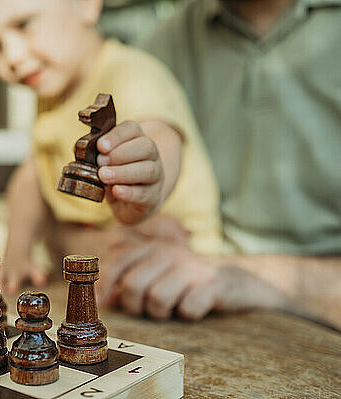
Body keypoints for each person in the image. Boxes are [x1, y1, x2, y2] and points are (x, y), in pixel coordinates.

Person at [97, 0, 341, 329]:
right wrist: (131, 238)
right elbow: (73, 216)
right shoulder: (165, 44)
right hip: (200, 306)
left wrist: (246, 277)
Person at [0, 0, 223, 293]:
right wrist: (18, 253)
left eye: (23, 24)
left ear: (85, 4)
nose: (12, 56)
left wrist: (151, 180)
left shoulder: (130, 73)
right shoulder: (52, 94)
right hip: (109, 281)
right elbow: (33, 176)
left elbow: (161, 138)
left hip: (186, 272)